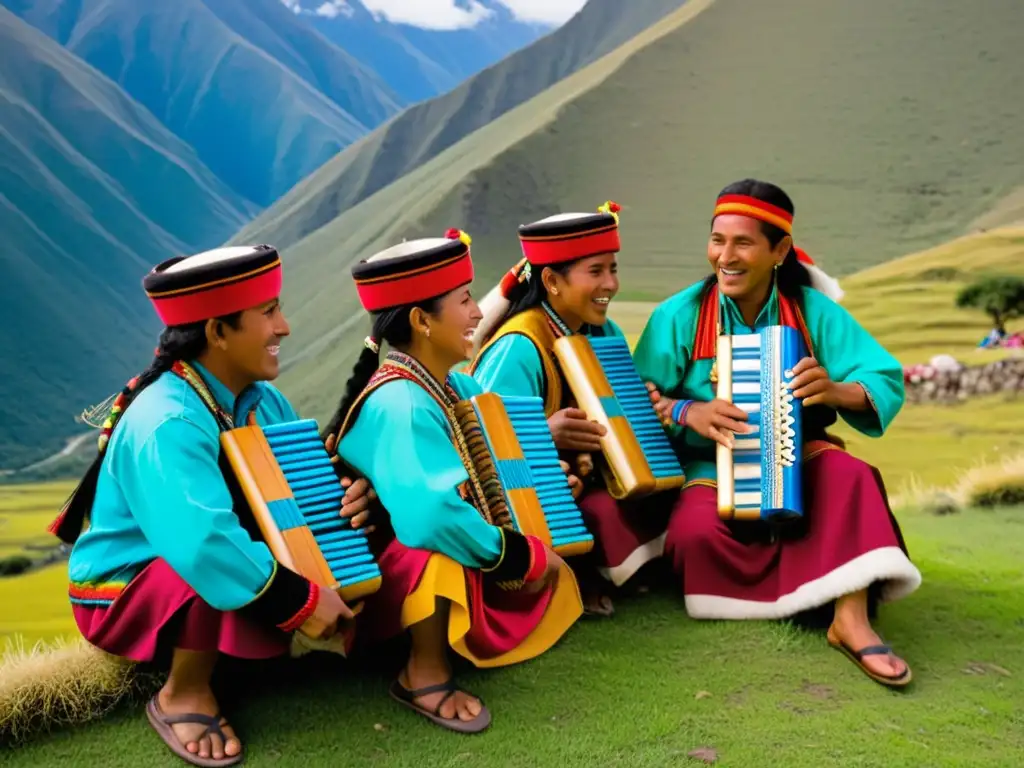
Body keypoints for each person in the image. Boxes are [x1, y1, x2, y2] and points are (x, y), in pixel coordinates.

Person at [49, 246, 370, 766]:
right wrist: (305, 602)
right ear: (218, 332)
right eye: (268, 313)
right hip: (128, 586)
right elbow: (202, 543)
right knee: (202, 567)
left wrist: (350, 497)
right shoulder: (167, 421)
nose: (284, 327)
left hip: (220, 559)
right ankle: (183, 693)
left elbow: (299, 489)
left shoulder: (263, 401)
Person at [633, 179, 922, 688]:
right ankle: (819, 580)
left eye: (743, 242)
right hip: (708, 466)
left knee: (850, 475)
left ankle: (849, 618)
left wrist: (834, 390)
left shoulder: (813, 312)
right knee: (693, 538)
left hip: (799, 454)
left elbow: (881, 379)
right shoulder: (677, 317)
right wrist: (685, 411)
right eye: (717, 240)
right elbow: (637, 399)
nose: (726, 256)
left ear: (780, 250)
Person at [324, 229, 584, 734]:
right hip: (381, 579)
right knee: (438, 552)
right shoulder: (401, 403)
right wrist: (524, 555)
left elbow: (496, 460)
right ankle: (422, 672)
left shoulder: (453, 386)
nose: (477, 314)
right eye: (464, 301)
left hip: (416, 552)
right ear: (422, 321)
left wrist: (545, 488)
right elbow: (430, 516)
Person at [467, 202, 666, 615]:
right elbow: (482, 444)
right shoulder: (519, 347)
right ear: (552, 281)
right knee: (599, 512)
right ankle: (573, 574)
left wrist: (637, 406)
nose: (610, 284)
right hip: (547, 488)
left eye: (613, 269)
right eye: (596, 271)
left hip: (593, 475)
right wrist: (545, 433)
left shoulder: (602, 330)